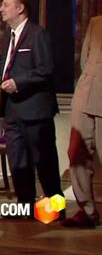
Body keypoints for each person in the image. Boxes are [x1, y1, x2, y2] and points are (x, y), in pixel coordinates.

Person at [0, 0, 63, 216]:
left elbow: (45, 69)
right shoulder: (8, 35)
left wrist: (18, 82)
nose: (1, 9)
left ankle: (56, 210)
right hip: (12, 111)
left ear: (20, 9)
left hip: (36, 110)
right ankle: (25, 207)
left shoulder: (37, 34)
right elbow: (3, 65)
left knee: (45, 162)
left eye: (6, 5)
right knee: (18, 160)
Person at [63, 15, 102, 227]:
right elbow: (84, 60)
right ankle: (86, 210)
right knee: (76, 151)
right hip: (86, 93)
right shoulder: (96, 23)